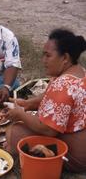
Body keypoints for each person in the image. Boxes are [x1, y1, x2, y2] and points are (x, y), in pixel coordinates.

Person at [5, 29, 86, 172]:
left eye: (48, 56)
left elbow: (48, 130)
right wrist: (28, 104)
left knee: (14, 133)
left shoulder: (63, 85)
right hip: (79, 142)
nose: (43, 60)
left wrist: (21, 114)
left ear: (65, 58)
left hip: (77, 155)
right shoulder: (79, 72)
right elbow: (49, 98)